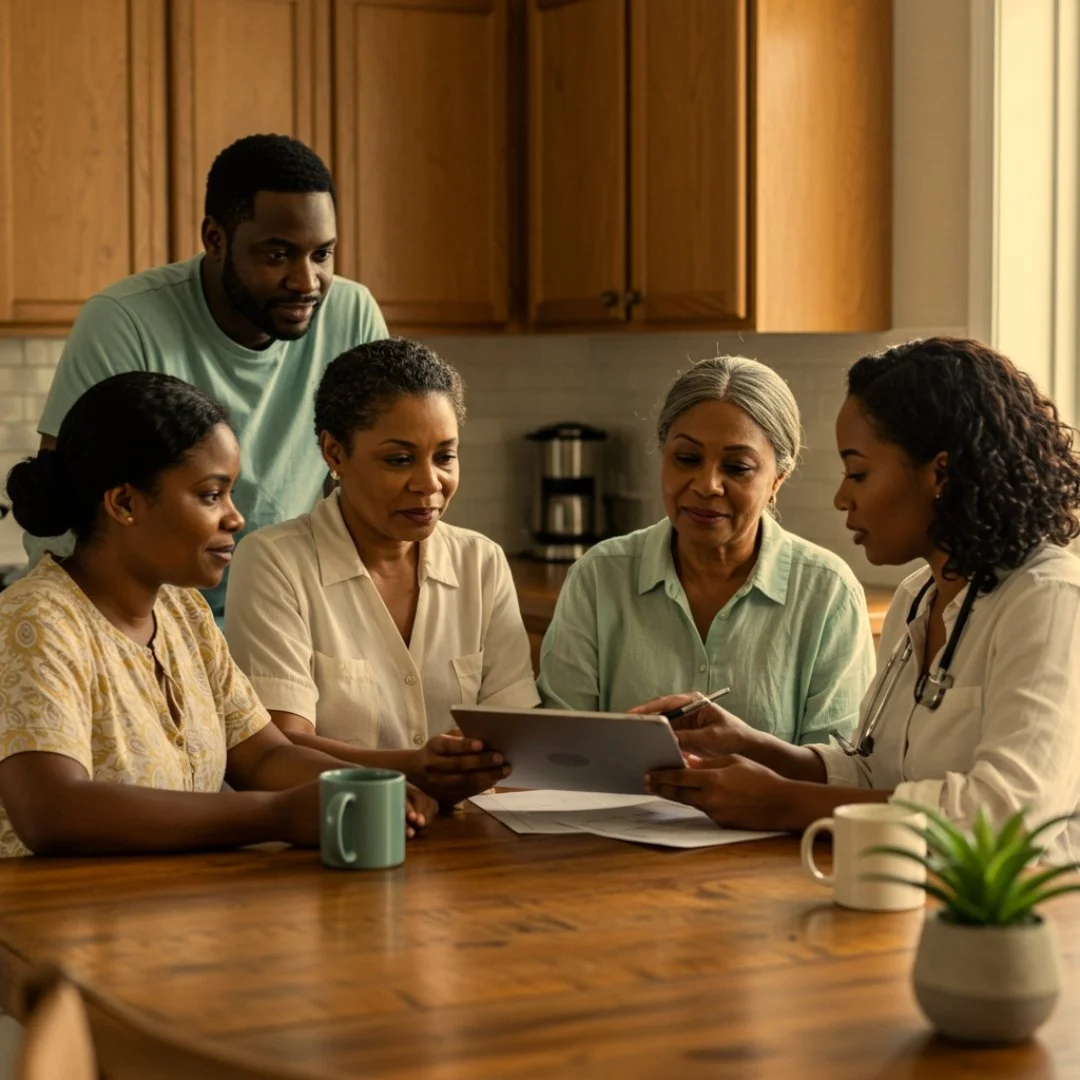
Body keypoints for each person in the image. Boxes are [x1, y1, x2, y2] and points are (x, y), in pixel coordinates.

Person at [643, 338, 1080, 863]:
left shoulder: (1049, 599)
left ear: (939, 474)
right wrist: (751, 746)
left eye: (858, 473)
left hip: (1016, 923)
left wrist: (783, 802)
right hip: (901, 898)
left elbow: (1005, 813)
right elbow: (877, 775)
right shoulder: (918, 598)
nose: (841, 497)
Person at [0, 372, 434, 858]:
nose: (235, 517)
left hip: (175, 918)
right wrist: (278, 815)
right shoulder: (36, 621)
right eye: (211, 495)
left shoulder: (183, 611)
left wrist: (375, 786)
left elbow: (266, 755)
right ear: (124, 503)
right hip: (49, 923)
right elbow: (52, 812)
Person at [27, 133, 388, 619]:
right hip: (148, 622)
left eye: (322, 254)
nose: (306, 282)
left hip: (288, 616)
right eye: (277, 255)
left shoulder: (352, 313)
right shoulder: (123, 319)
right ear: (215, 239)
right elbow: (64, 507)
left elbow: (368, 483)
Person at [224, 339, 538, 809]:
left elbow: (517, 739)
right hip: (333, 837)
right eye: (399, 459)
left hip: (470, 839)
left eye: (445, 456)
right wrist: (413, 766)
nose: (430, 484)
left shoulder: (482, 562)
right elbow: (277, 749)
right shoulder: (274, 561)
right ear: (334, 453)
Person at [537, 356, 875, 746]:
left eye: (737, 467)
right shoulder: (598, 577)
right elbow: (563, 748)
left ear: (777, 480)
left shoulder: (827, 592)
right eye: (687, 459)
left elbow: (834, 768)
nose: (707, 484)